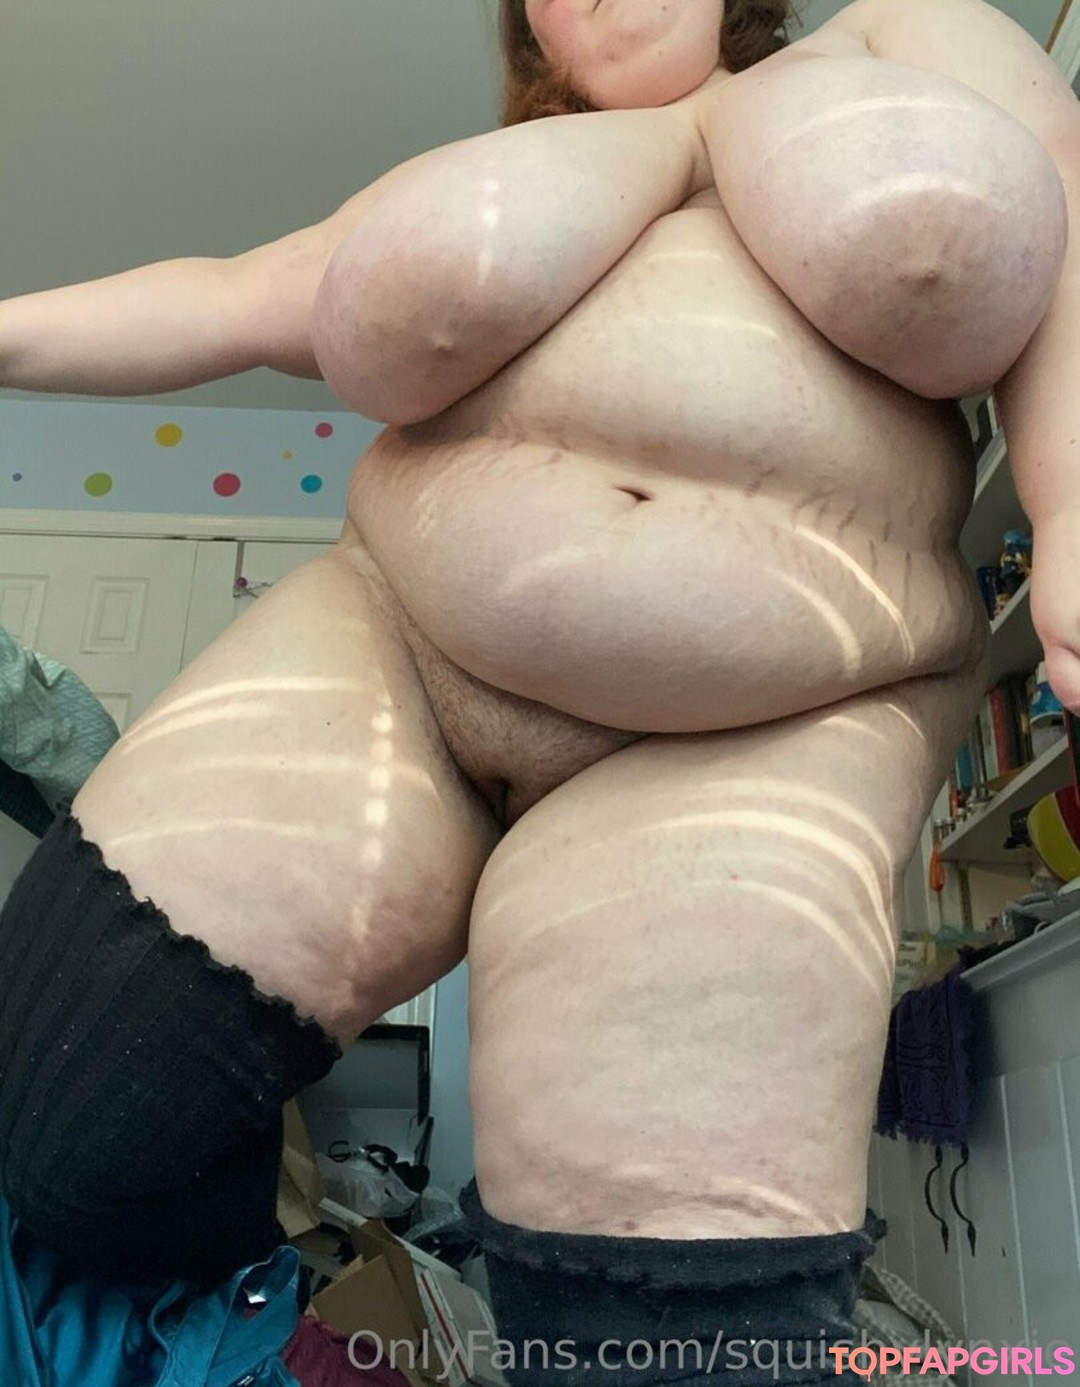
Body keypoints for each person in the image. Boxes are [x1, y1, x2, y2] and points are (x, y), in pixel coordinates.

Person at [1, 0, 1078, 1376]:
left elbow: (1068, 222)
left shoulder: (902, 31)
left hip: (778, 723)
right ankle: (283, 1341)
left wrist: (1071, 507)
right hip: (394, 639)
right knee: (77, 1125)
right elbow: (230, 294)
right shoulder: (495, 169)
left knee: (668, 1336)